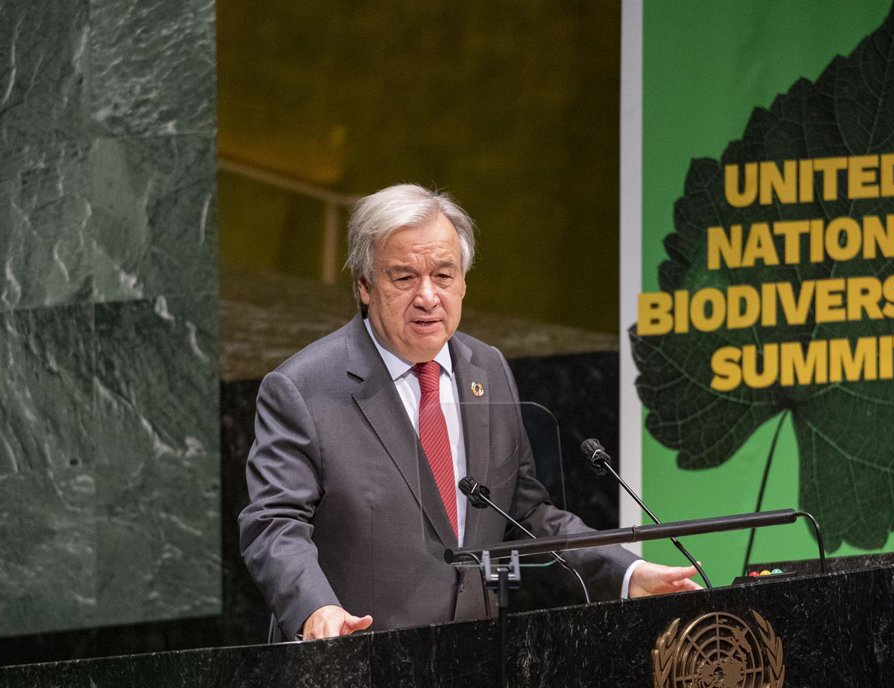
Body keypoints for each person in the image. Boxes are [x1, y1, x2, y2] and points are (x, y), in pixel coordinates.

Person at [239, 184, 699, 641]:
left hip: (474, 661)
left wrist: (625, 572)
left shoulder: (488, 368)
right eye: (404, 278)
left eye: (443, 275)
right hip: (360, 660)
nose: (427, 296)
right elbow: (273, 524)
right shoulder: (304, 388)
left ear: (463, 283)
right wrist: (316, 608)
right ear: (364, 286)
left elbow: (525, 514)